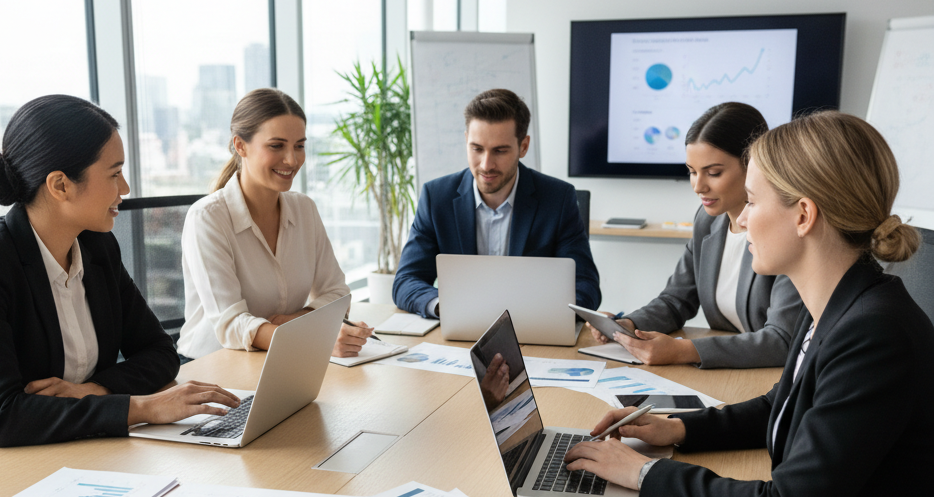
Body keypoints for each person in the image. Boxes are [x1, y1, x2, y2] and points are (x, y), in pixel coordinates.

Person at [564, 111, 934, 497]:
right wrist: (679, 432)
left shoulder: (873, 331)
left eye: (752, 199)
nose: (736, 218)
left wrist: (647, 476)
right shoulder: (844, 305)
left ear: (804, 215)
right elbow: (779, 406)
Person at [0, 95, 239, 464]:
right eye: (114, 173)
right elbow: (2, 417)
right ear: (60, 185)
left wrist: (93, 389)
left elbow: (159, 353)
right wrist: (142, 408)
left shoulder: (97, 247)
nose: (126, 188)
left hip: (77, 449)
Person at [589, 102, 802, 368]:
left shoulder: (786, 229)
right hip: (728, 371)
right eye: (691, 172)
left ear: (753, 165)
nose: (698, 186)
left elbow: (782, 340)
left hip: (770, 376)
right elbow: (676, 300)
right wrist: (628, 326)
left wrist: (684, 351)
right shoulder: (708, 221)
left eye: (714, 173)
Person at [178, 88, 370, 360]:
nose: (292, 160)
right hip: (213, 367)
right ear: (240, 145)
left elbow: (337, 294)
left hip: (280, 359)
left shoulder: (304, 209)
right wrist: (315, 335)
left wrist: (295, 321)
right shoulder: (207, 218)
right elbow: (231, 325)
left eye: (299, 145)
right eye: (276, 145)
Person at [393, 88, 600, 317]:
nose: (486, 164)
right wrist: (445, 307)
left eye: (499, 151)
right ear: (466, 140)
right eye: (477, 149)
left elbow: (586, 285)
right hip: (458, 331)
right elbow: (406, 280)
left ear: (523, 146)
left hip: (531, 331)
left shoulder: (558, 199)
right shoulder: (436, 197)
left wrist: (545, 313)